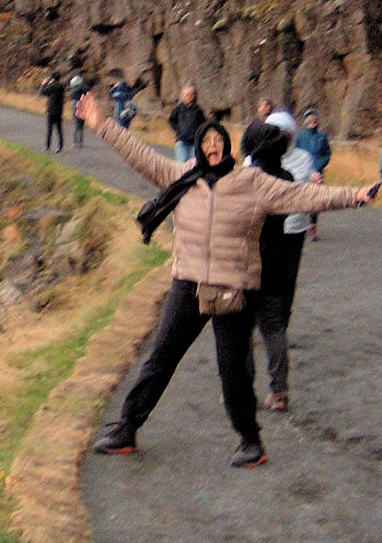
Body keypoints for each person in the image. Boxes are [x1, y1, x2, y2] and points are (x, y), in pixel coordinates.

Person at [75, 89, 375, 469]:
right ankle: (126, 429)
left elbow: (303, 196)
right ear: (199, 147)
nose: (213, 147)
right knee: (159, 359)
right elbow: (139, 154)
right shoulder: (182, 178)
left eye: (219, 142)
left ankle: (251, 442)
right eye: (207, 142)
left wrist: (356, 194)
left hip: (234, 287)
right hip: (188, 284)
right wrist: (102, 124)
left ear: (229, 147)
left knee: (233, 370)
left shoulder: (251, 183)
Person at [254, 111, 317, 411]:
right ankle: (274, 390)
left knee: (255, 321)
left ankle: (265, 389)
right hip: (271, 247)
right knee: (269, 322)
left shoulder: (256, 172)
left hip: (277, 242)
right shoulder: (281, 175)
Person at [240, 120, 296, 414]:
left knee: (243, 330)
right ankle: (279, 391)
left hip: (247, 261)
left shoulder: (247, 178)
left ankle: (242, 390)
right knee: (273, 329)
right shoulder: (286, 177)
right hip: (276, 260)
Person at [295, 108, 331, 240]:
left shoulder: (322, 137)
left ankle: (312, 225)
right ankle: (303, 224)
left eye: (313, 120)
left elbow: (327, 154)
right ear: (305, 122)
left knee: (317, 202)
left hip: (318, 172)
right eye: (309, 120)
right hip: (303, 173)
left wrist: (318, 167)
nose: (311, 123)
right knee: (303, 200)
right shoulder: (300, 136)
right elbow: (296, 153)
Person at [168, 84, 206, 162]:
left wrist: (200, 135)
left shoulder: (198, 110)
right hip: (182, 141)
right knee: (182, 164)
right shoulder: (178, 109)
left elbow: (203, 124)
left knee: (194, 165)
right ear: (183, 96)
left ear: (194, 96)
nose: (189, 96)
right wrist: (178, 130)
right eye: (187, 94)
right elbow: (171, 120)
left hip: (194, 142)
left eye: (191, 94)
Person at [40, 71, 66, 152]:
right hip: (59, 109)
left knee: (49, 129)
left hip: (51, 110)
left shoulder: (52, 86)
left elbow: (43, 92)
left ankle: (47, 146)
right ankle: (60, 146)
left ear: (52, 78)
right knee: (59, 129)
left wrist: (43, 84)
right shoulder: (61, 86)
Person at [69, 74, 89, 148]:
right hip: (81, 105)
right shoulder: (81, 88)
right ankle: (79, 141)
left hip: (77, 106)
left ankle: (76, 141)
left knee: (76, 124)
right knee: (79, 124)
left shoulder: (73, 90)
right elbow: (87, 90)